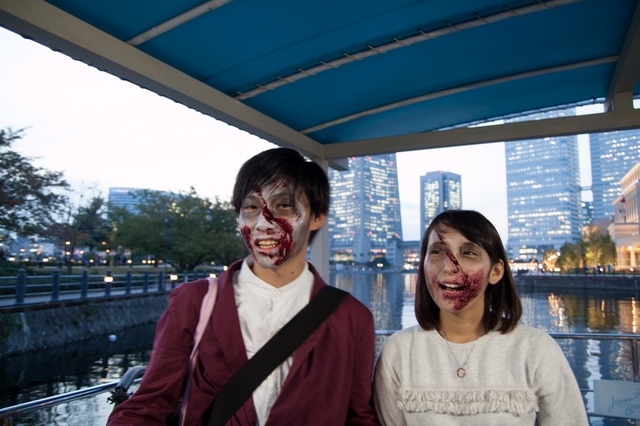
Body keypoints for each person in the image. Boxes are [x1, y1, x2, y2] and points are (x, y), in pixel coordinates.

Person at [108, 148, 380, 425]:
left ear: (317, 216)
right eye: (250, 208)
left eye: (283, 206)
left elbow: (360, 416)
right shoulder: (194, 302)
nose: (263, 223)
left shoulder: (351, 318)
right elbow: (149, 406)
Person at [373, 210, 588, 425]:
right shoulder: (398, 353)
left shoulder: (536, 350)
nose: (449, 267)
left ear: (496, 272)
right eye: (437, 251)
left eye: (468, 253)